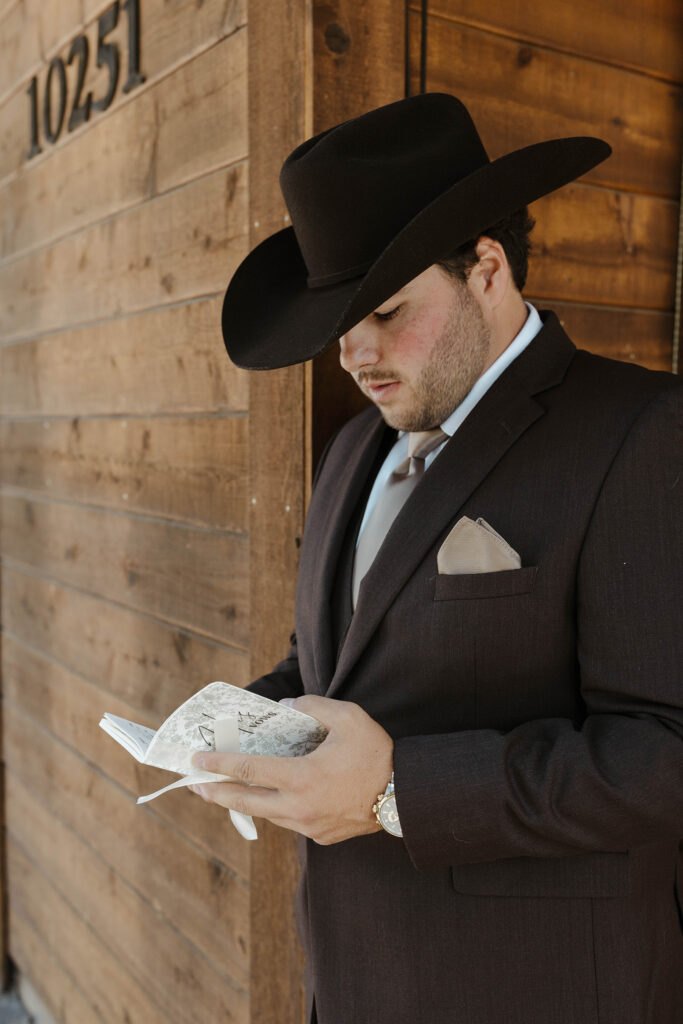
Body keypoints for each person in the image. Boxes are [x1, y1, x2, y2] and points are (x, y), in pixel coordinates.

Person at [188, 94, 683, 1023]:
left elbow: (666, 755)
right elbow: (340, 663)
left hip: (540, 989)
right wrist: (246, 726)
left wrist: (391, 789)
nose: (354, 355)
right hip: (354, 975)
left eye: (384, 310)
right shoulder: (352, 452)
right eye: (339, 322)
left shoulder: (643, 433)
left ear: (486, 268)